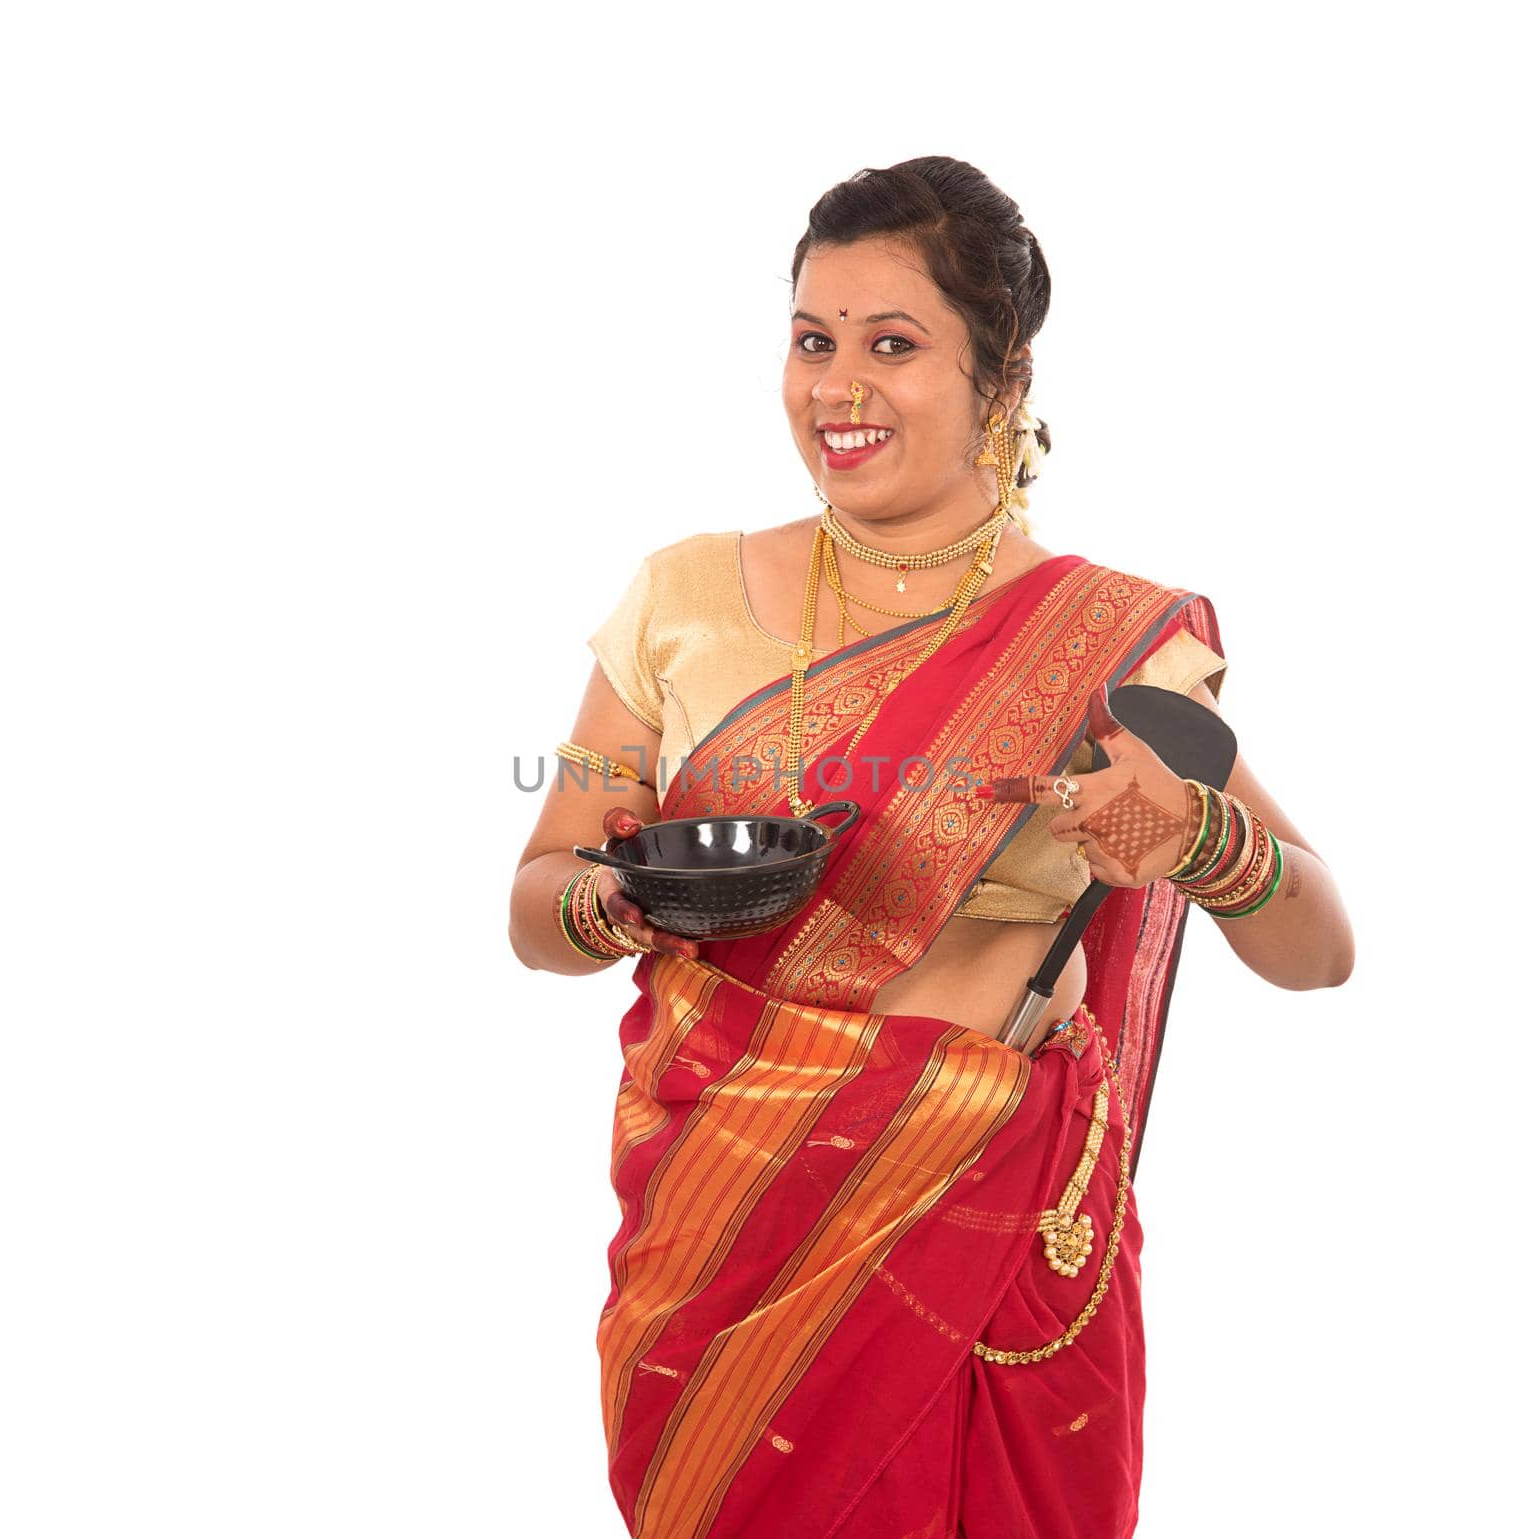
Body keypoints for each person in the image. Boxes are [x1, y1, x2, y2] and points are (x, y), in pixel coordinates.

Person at [508, 156, 1355, 1539]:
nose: (838, 388)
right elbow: (536, 905)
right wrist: (622, 901)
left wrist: (1198, 838)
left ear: (1001, 382)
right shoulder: (683, 598)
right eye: (811, 340)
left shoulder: (1107, 638)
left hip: (991, 1221)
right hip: (725, 1217)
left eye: (892, 346)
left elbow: (1321, 946)